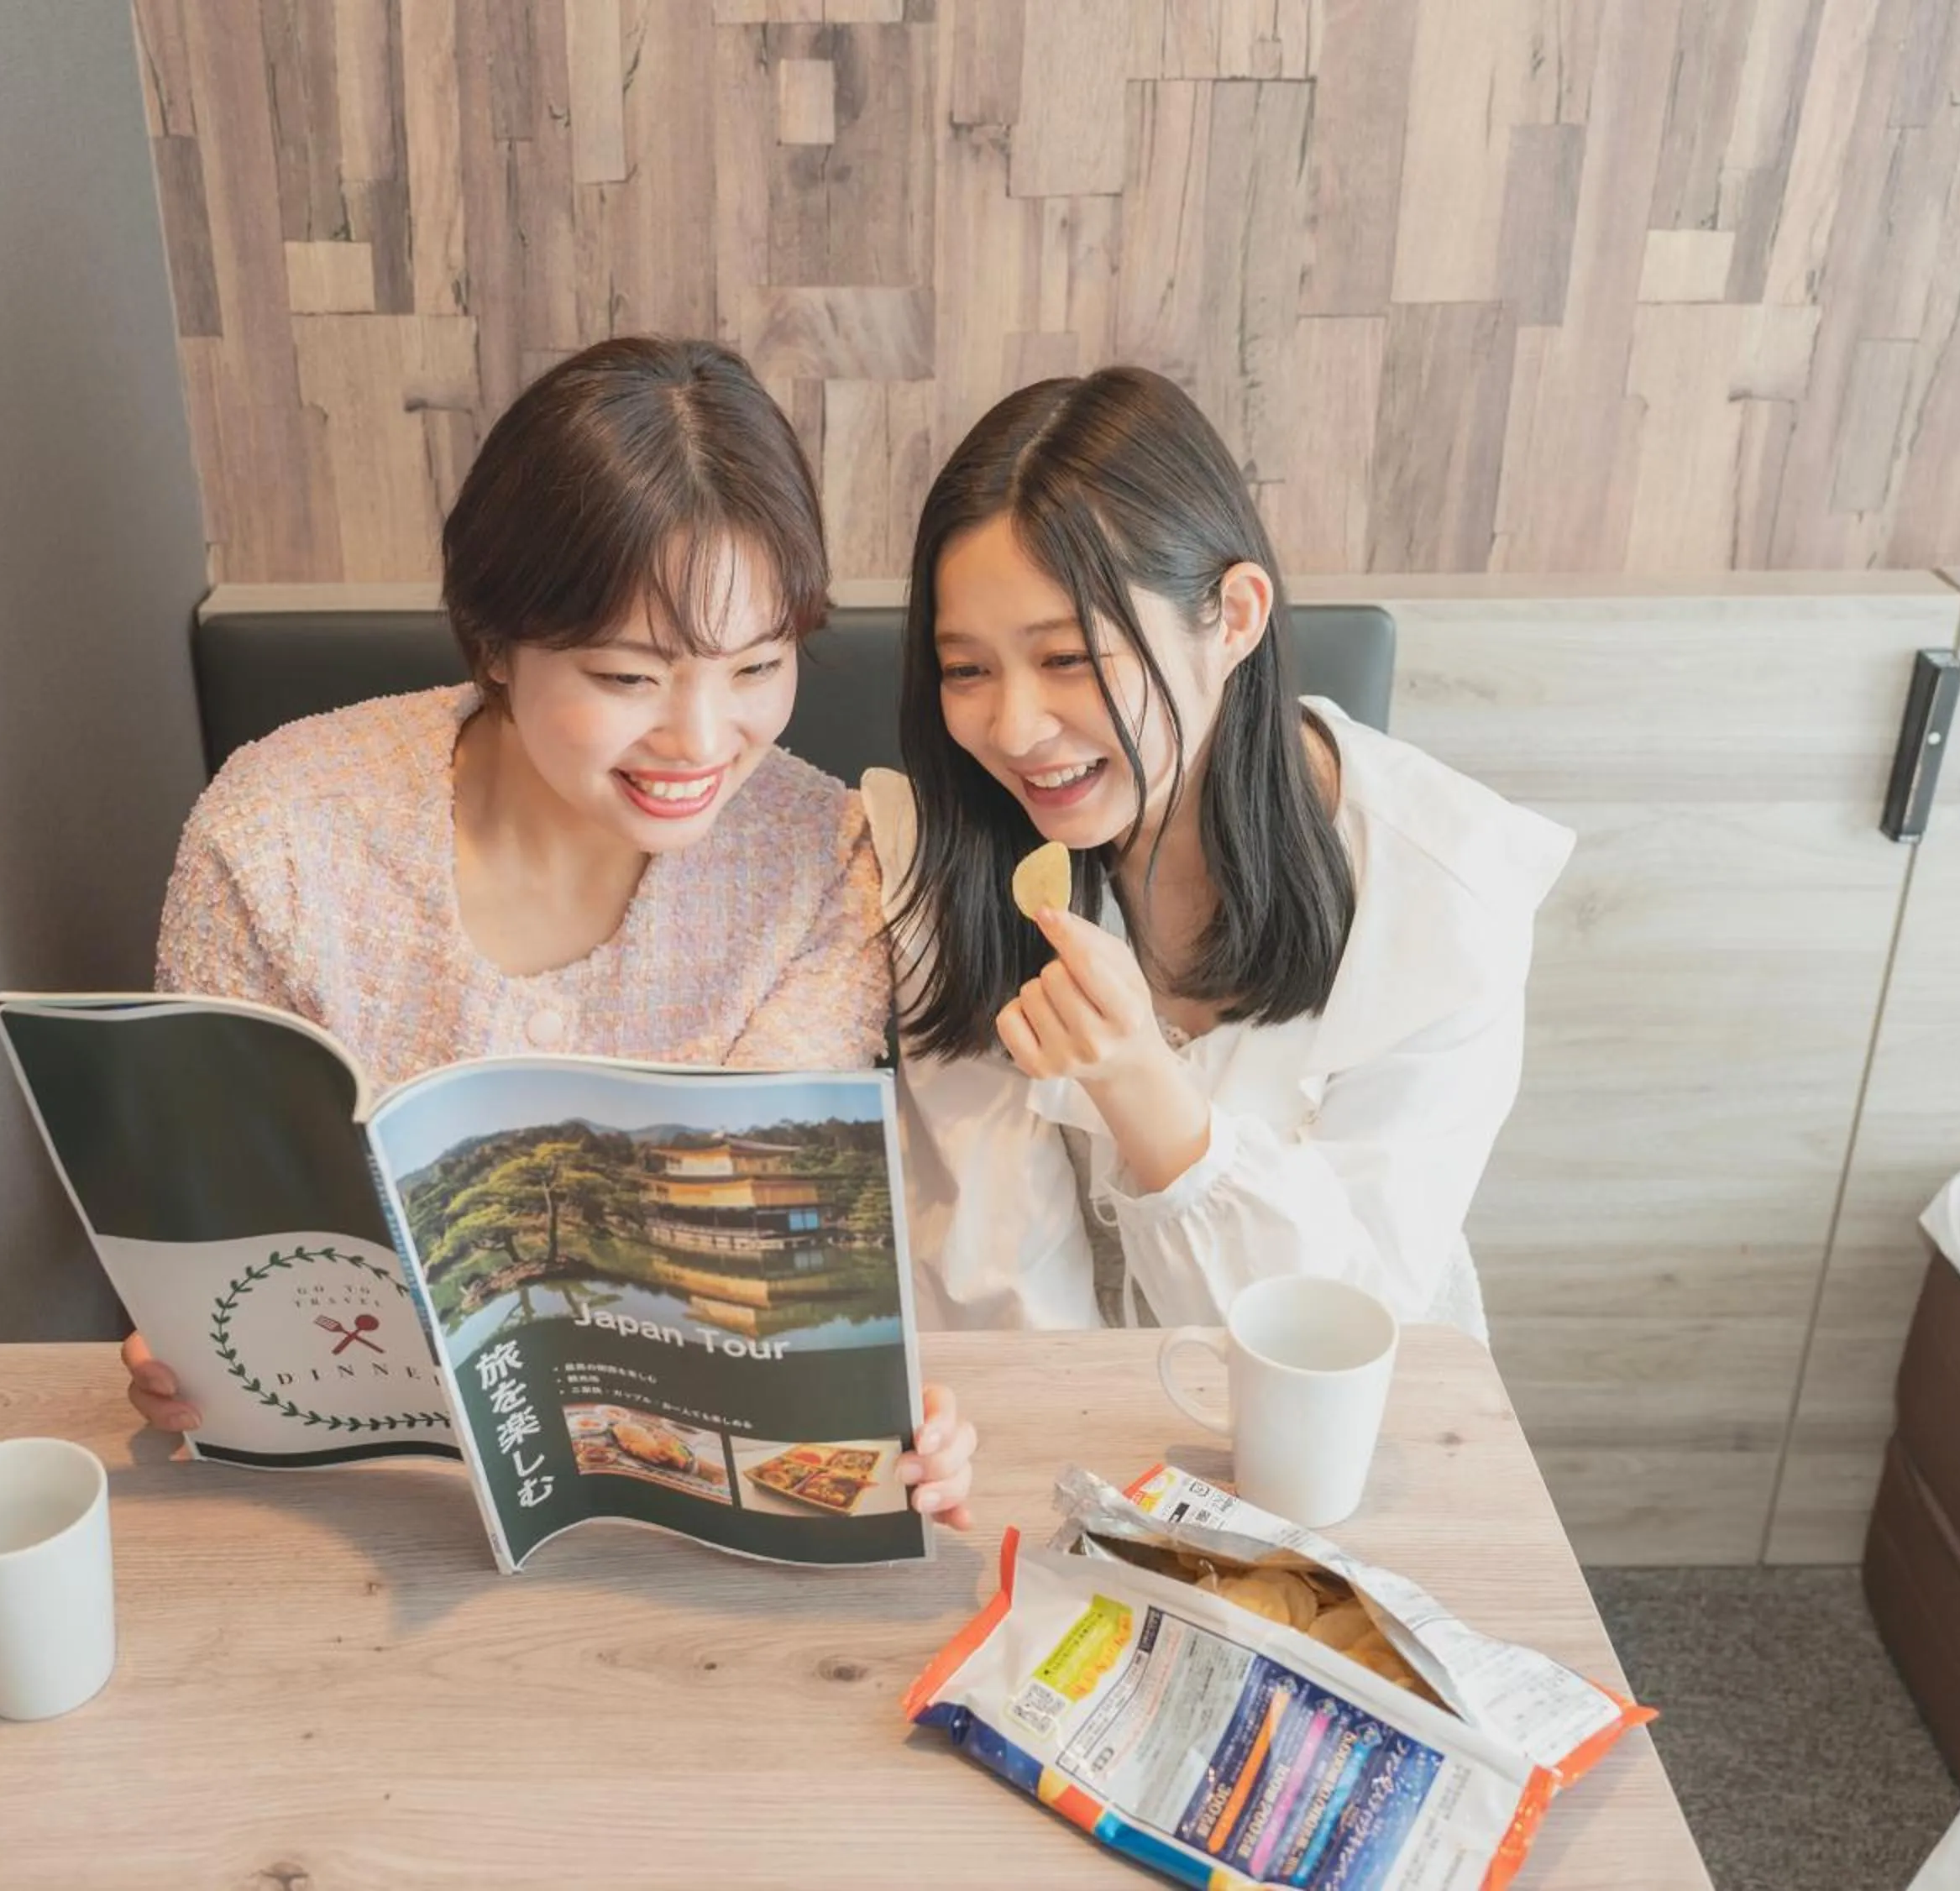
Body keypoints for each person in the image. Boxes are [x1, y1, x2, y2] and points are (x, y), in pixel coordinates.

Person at [125, 337, 976, 1522]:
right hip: (353, 1502)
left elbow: (761, 1282)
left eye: (759, 665)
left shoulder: (822, 865)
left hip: (668, 1508)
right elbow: (223, 1227)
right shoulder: (275, 838)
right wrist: (186, 1350)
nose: (703, 739)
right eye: (631, 677)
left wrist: (870, 1423)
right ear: (494, 644)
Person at [868, 366, 1573, 1340]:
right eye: (966, 669)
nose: (1015, 727)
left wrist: (1141, 1082)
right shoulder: (940, 849)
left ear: (1234, 615)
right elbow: (992, 1273)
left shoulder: (1441, 895)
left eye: (1068, 656)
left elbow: (1340, 1338)